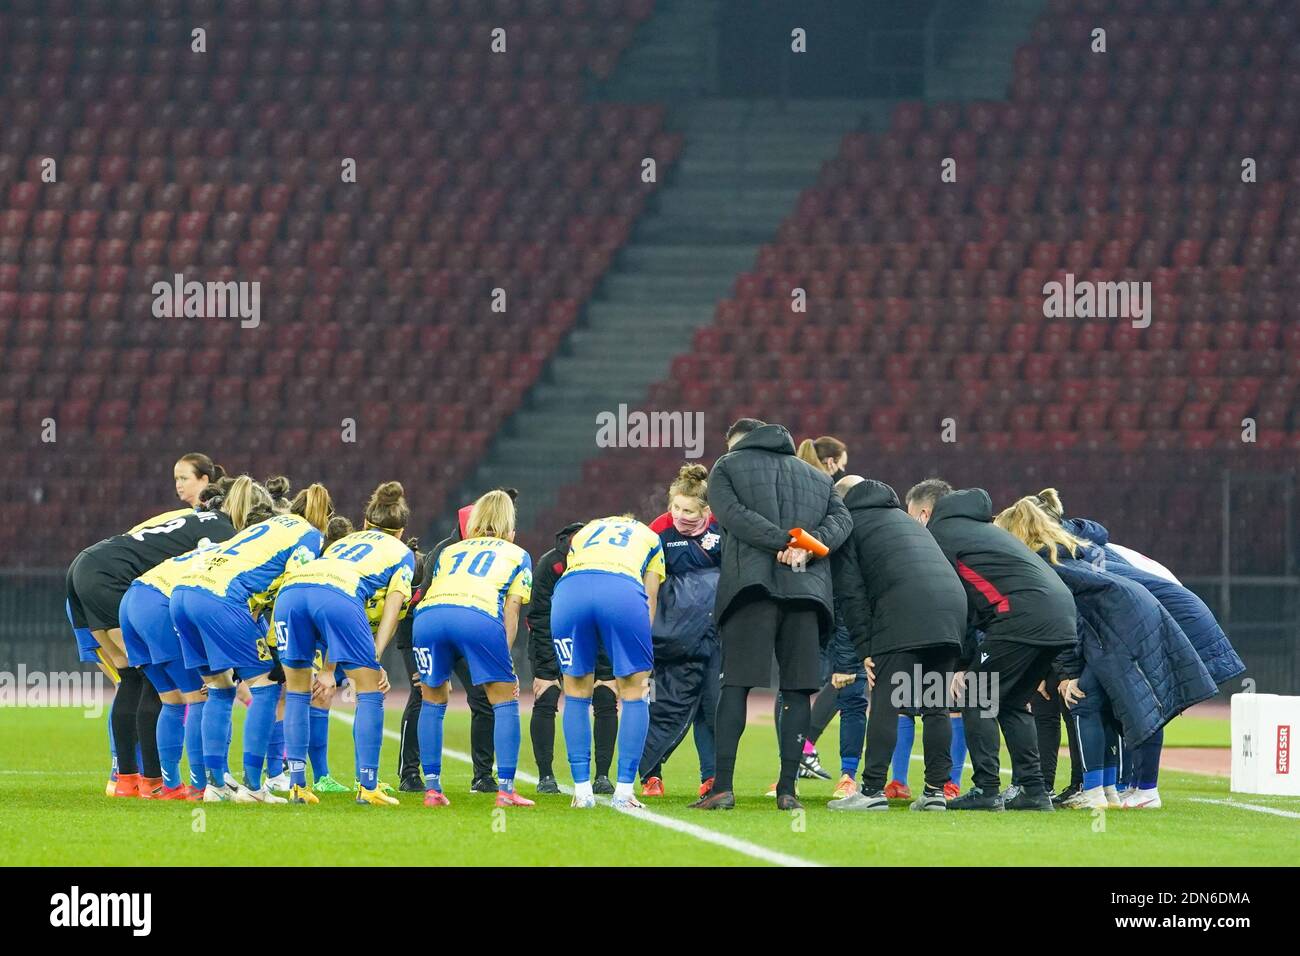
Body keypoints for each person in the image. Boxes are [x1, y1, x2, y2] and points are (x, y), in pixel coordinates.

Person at [994, 496, 1218, 810]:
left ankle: (1105, 792)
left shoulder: (1045, 563)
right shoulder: (1070, 548)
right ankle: (1113, 790)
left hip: (1123, 627)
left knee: (1085, 700)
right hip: (1132, 619)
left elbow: (1069, 618)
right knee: (1105, 703)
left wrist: (1069, 673)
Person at [690, 418, 852, 812]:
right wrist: (806, 546)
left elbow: (732, 516)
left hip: (752, 590)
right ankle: (787, 791)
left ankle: (723, 788)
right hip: (806, 593)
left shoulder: (728, 466)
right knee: (797, 691)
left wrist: (784, 541)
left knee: (737, 686)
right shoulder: (817, 477)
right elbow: (843, 521)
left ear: (738, 442)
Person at [904, 479, 1077, 812]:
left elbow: (959, 603)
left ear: (924, 514)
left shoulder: (940, 537)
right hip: (1059, 615)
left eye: (911, 516)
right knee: (1010, 702)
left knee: (976, 696)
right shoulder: (982, 529)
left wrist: (962, 664)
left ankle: (986, 789)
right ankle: (1034, 790)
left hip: (1021, 617)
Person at [67, 489, 246, 798]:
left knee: (132, 677)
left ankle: (128, 781)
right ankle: (158, 782)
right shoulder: (225, 532)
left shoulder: (192, 519)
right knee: (154, 679)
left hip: (89, 564)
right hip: (113, 576)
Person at [172, 480, 332, 803]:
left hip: (183, 592)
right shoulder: (310, 537)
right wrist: (279, 647)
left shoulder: (269, 525)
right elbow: (292, 587)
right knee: (266, 687)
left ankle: (215, 787)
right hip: (221, 597)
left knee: (220, 687)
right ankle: (252, 787)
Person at [826, 476, 967, 811]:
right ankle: (934, 792)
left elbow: (851, 594)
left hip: (904, 612)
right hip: (951, 612)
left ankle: (872, 790)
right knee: (936, 706)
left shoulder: (850, 525)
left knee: (888, 700)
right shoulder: (907, 521)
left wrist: (866, 652)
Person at [275, 482, 414, 807]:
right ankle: (367, 786)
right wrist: (374, 655)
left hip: (292, 592)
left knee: (296, 691)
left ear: (365, 523)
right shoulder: (401, 553)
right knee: (369, 691)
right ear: (401, 531)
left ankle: (297, 785)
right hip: (338, 594)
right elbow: (393, 606)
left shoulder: (343, 541)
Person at [411, 490, 534, 808]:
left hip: (428, 617)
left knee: (433, 699)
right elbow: (512, 610)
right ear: (510, 525)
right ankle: (505, 790)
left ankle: (433, 790)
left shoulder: (451, 550)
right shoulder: (517, 554)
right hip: (475, 615)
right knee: (503, 700)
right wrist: (505, 664)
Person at [552, 513, 665, 809]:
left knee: (575, 690)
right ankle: (625, 791)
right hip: (621, 591)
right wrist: (637, 655)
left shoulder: (586, 530)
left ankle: (582, 791)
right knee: (635, 691)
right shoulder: (650, 537)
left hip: (569, 591)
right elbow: (649, 598)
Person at [638, 464, 722, 798]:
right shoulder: (657, 530)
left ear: (706, 510)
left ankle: (711, 776)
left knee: (709, 705)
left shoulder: (721, 529)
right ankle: (651, 775)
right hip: (666, 636)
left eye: (688, 510)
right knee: (657, 702)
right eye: (675, 507)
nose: (679, 515)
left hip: (711, 635)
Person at [525, 520, 622, 795]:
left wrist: (607, 670)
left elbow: (609, 615)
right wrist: (546, 669)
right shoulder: (550, 565)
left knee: (606, 696)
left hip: (598, 633)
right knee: (546, 695)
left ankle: (602, 776)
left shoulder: (606, 564)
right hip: (556, 633)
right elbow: (540, 617)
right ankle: (546, 776)